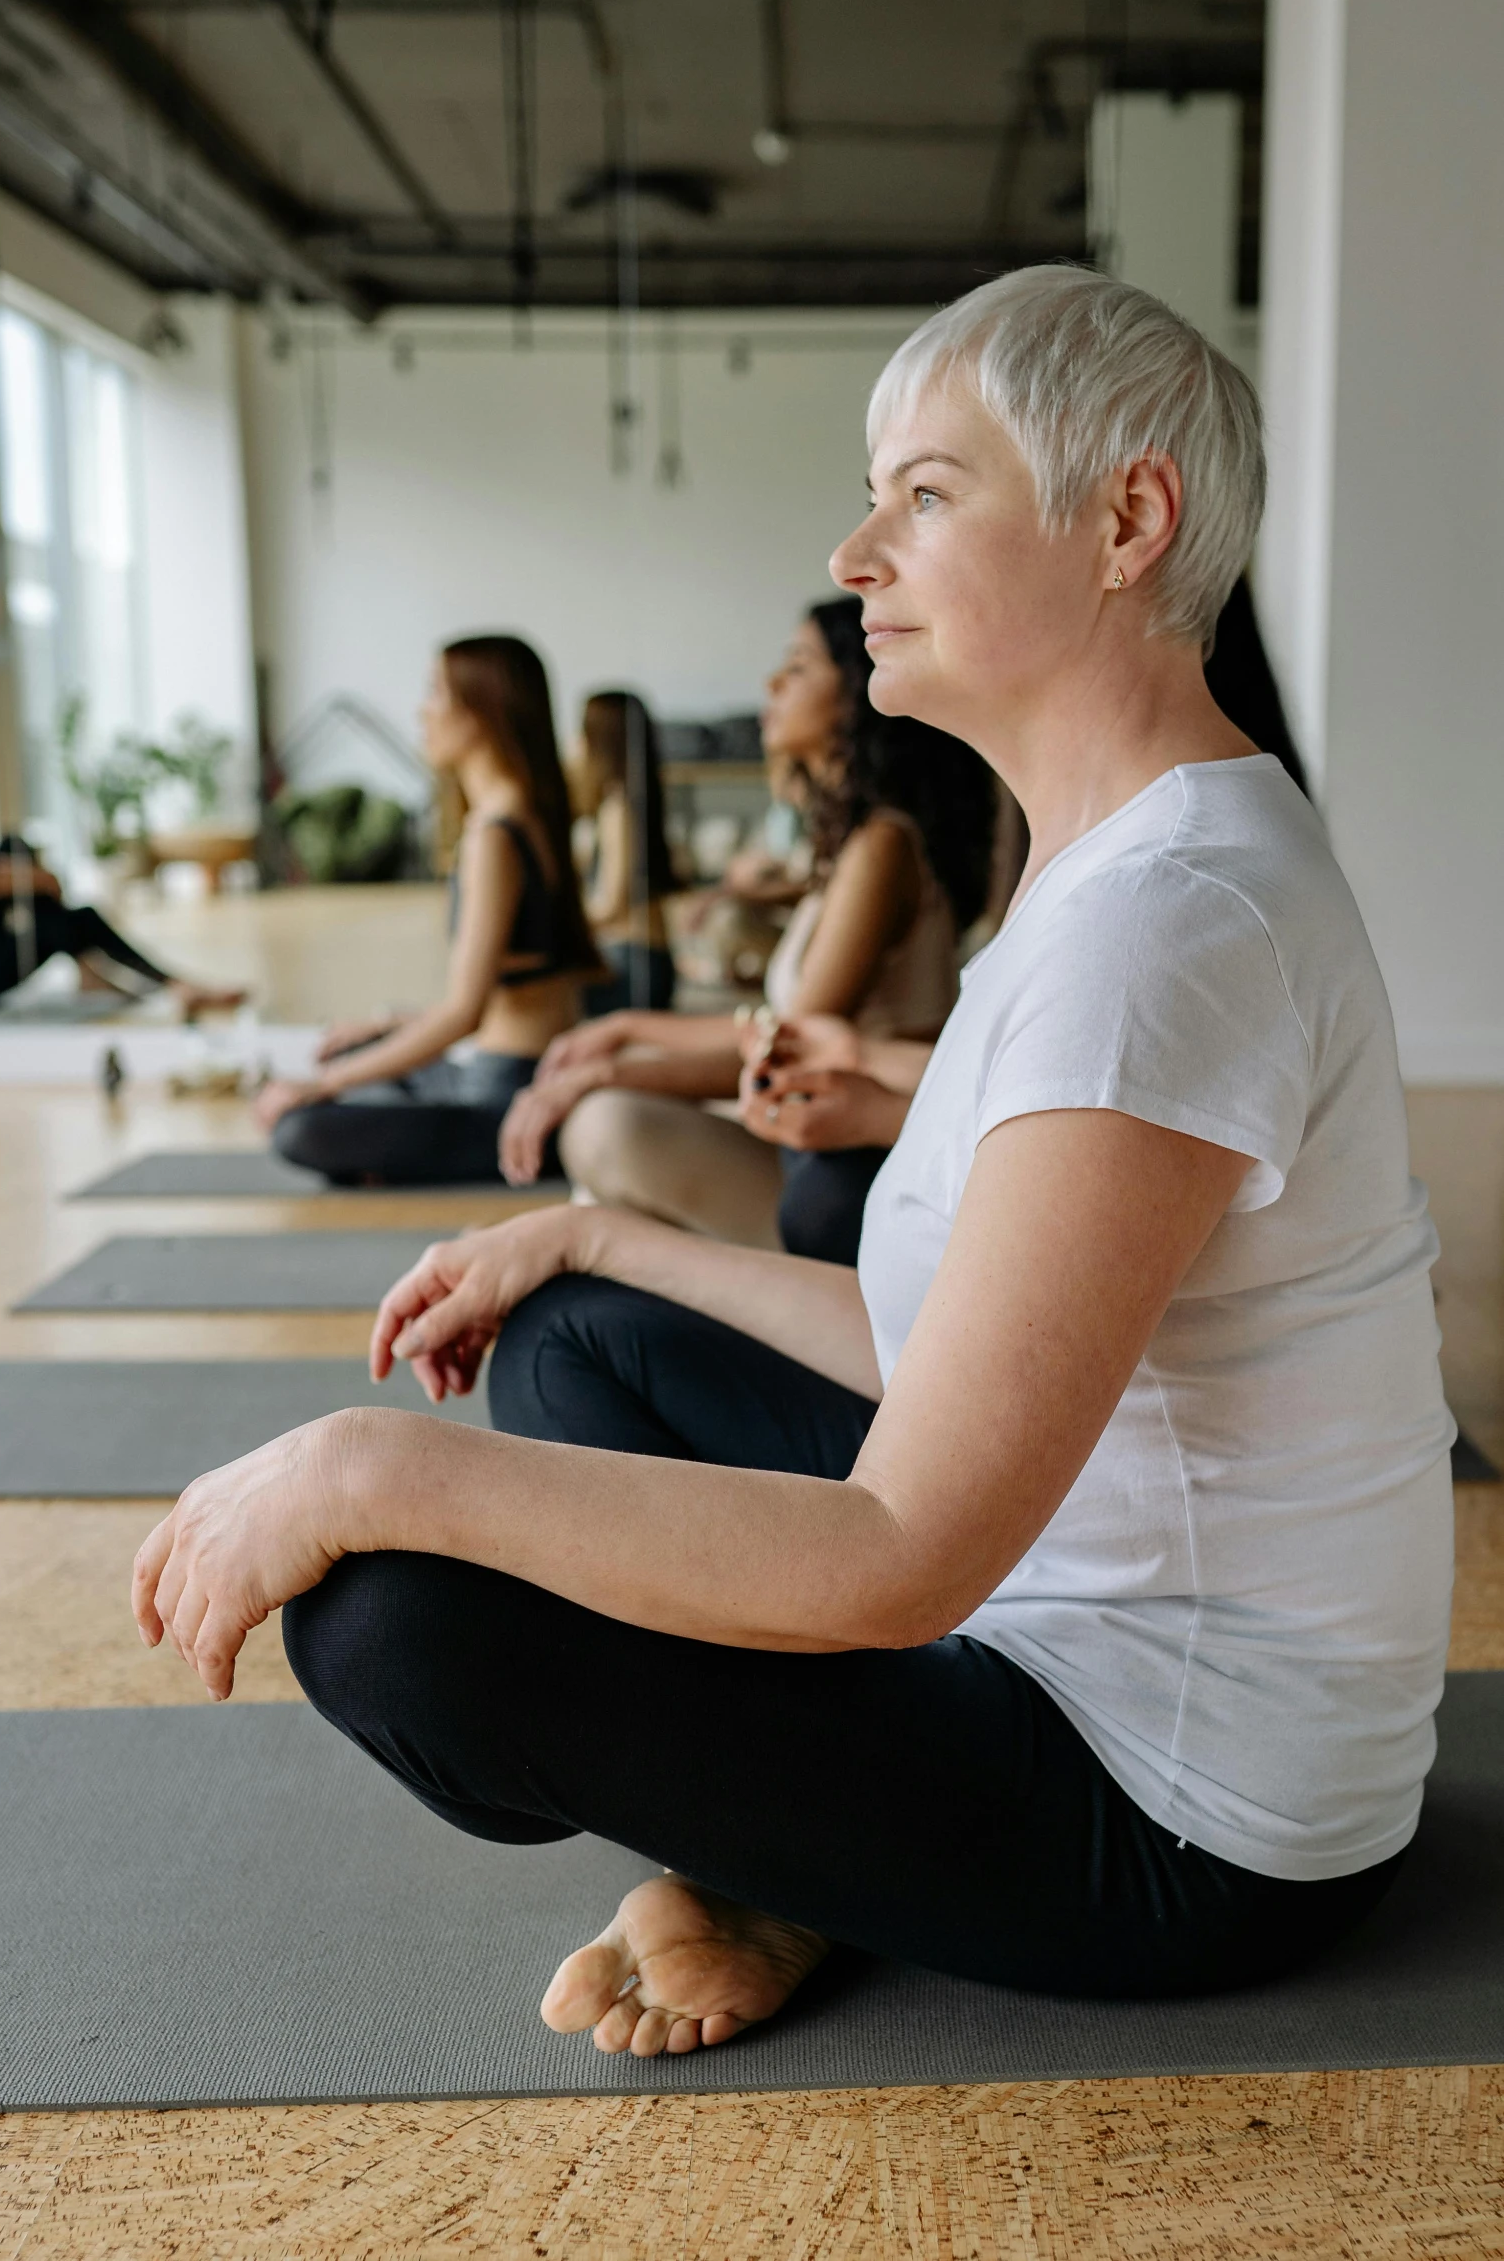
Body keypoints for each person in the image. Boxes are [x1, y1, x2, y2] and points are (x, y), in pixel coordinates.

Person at [135, 266, 1452, 2066]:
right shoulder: (1111, 869)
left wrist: (368, 1466)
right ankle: (781, 1860)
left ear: (1125, 522)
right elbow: (945, 1344)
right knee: (574, 1331)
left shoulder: (1170, 924)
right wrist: (596, 1230)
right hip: (1052, 1614)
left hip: (1180, 1818)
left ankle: (777, 1866)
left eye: (923, 493)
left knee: (384, 1617)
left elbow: (902, 1555)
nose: (855, 554)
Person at [738, 570, 1314, 1167]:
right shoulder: (1072, 843)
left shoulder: (1154, 892)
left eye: (930, 498)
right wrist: (862, 1057)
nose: (849, 560)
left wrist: (875, 1094)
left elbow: (1080, 1141)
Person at [496, 597, 996, 1262]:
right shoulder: (856, 845)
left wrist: (605, 1068)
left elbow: (783, 1045)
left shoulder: (882, 846)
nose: (770, 685)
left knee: (602, 1121)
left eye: (796, 667)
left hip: (854, 1176)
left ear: (854, 694)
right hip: (818, 1150)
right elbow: (775, 1026)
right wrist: (625, 1030)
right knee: (607, 1107)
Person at [257, 637, 600, 1186]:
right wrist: (387, 1024)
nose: (422, 711)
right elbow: (495, 999)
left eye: (436, 693)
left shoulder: (495, 835)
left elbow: (465, 1013)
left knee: (301, 1128)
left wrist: (323, 1087)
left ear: (483, 711)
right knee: (359, 1053)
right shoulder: (524, 816)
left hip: (503, 1099)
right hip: (506, 1072)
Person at [0, 721, 240, 1017]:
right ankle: (158, 982)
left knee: (23, 858)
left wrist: (33, 880)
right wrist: (39, 879)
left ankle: (109, 974)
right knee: (56, 913)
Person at [575, 690, 678, 1017]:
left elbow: (611, 904)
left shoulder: (616, 807)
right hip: (650, 961)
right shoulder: (639, 801)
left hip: (632, 965)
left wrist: (562, 926)